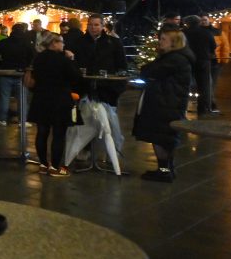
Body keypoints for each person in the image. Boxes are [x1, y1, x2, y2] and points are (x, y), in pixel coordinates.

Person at [134, 25, 194, 182]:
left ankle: (164, 171)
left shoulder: (174, 59)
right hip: (167, 103)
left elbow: (149, 71)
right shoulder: (176, 58)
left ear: (173, 42)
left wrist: (147, 70)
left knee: (161, 138)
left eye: (163, 39)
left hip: (165, 104)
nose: (160, 42)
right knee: (164, 139)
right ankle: (167, 169)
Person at [73, 14, 129, 160]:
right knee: (85, 121)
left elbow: (122, 65)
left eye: (96, 25)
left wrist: (117, 87)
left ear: (102, 26)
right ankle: (85, 149)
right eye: (90, 24)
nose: (93, 27)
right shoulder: (79, 43)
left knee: (109, 123)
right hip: (85, 89)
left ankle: (112, 153)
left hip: (107, 89)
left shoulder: (113, 42)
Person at [28, 33, 81, 175]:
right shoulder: (62, 60)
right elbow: (75, 77)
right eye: (61, 42)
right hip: (59, 99)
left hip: (41, 98)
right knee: (58, 134)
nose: (63, 45)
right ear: (54, 43)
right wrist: (72, 60)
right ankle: (55, 167)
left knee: (42, 132)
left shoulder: (38, 58)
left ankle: (43, 164)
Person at [0, 23, 36, 124]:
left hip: (5, 72)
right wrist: (26, 65)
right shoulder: (27, 43)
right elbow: (32, 56)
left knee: (4, 97)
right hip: (21, 73)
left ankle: (2, 119)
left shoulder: (4, 42)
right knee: (22, 99)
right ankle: (22, 121)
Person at [183, 15, 217, 117]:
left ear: (187, 23)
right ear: (199, 22)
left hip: (187, 61)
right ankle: (203, 110)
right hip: (203, 61)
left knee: (185, 85)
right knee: (204, 86)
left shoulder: (183, 33)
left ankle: (183, 108)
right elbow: (213, 46)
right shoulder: (206, 32)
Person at [210, 19, 229, 113]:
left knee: (211, 83)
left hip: (215, 62)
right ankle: (211, 103)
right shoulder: (218, 32)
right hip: (211, 61)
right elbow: (225, 47)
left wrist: (224, 60)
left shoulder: (218, 32)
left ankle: (211, 103)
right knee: (210, 84)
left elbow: (225, 47)